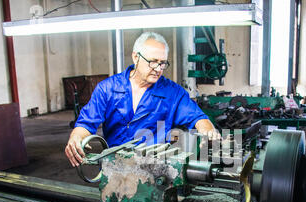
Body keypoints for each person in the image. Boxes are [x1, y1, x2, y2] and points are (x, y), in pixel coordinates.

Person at [65, 32, 219, 167]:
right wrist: (76, 137)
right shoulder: (107, 89)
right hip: (114, 167)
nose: (158, 69)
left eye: (163, 63)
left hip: (155, 169)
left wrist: (208, 130)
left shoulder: (173, 93)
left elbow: (197, 117)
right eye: (153, 61)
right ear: (136, 57)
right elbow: (86, 123)